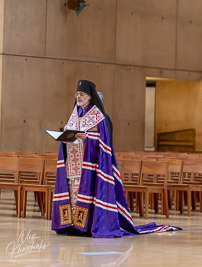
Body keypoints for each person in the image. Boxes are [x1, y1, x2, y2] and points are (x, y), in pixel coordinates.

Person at [51, 80, 181, 237]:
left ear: (90, 97)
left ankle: (85, 226)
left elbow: (104, 141)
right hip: (73, 164)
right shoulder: (74, 114)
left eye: (81, 94)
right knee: (73, 193)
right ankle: (72, 224)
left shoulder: (98, 117)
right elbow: (70, 131)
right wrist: (65, 136)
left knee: (87, 192)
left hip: (91, 165)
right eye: (76, 94)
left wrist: (87, 138)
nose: (78, 97)